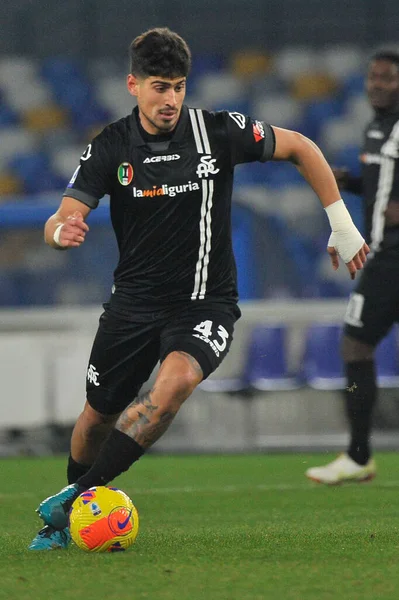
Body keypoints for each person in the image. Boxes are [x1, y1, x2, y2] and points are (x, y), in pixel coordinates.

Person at [29, 27, 368, 550]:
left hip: (205, 304)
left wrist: (341, 224)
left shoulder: (217, 131)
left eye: (178, 87)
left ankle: (72, 505)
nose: (170, 100)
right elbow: (64, 215)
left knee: (171, 391)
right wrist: (60, 232)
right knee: (97, 416)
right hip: (133, 306)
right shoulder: (111, 145)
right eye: (159, 87)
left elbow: (300, 146)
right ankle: (72, 496)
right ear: (133, 86)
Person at [305, 49, 399, 485]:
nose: (377, 84)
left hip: (394, 252)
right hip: (386, 252)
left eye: (388, 78)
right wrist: (350, 183)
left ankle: (359, 456)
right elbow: (381, 188)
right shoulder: (375, 128)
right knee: (356, 346)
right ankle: (358, 454)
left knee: (355, 346)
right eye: (373, 77)